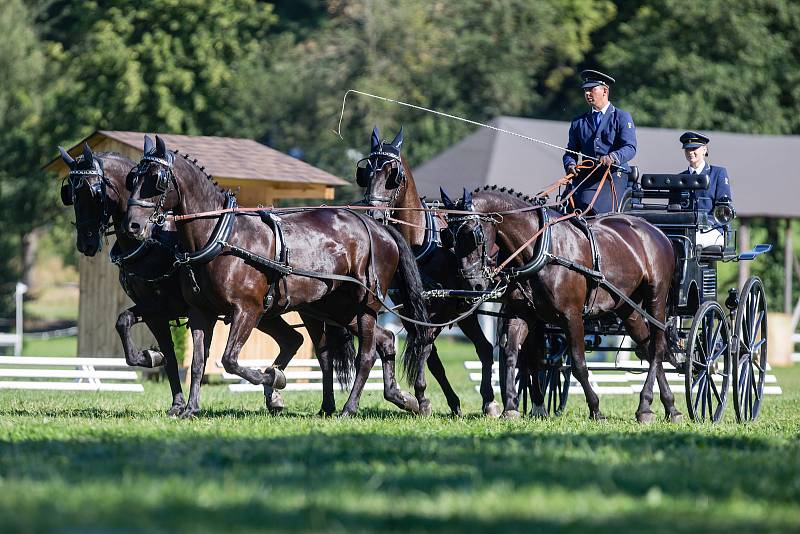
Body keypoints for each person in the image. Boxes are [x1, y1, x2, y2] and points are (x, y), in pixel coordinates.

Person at [562, 69, 637, 214]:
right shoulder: (578, 122)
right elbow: (570, 152)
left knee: (596, 212)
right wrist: (570, 164)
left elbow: (630, 147)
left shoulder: (622, 117)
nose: (587, 94)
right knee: (572, 210)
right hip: (587, 177)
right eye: (585, 90)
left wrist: (612, 157)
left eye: (591, 89)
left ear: (605, 91)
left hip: (613, 176)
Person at [678, 131, 734, 247]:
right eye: (687, 149)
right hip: (685, 229)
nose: (690, 152)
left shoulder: (718, 173)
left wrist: (704, 223)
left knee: (690, 241)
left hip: (712, 229)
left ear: (704, 149)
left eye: (694, 148)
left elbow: (724, 209)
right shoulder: (680, 178)